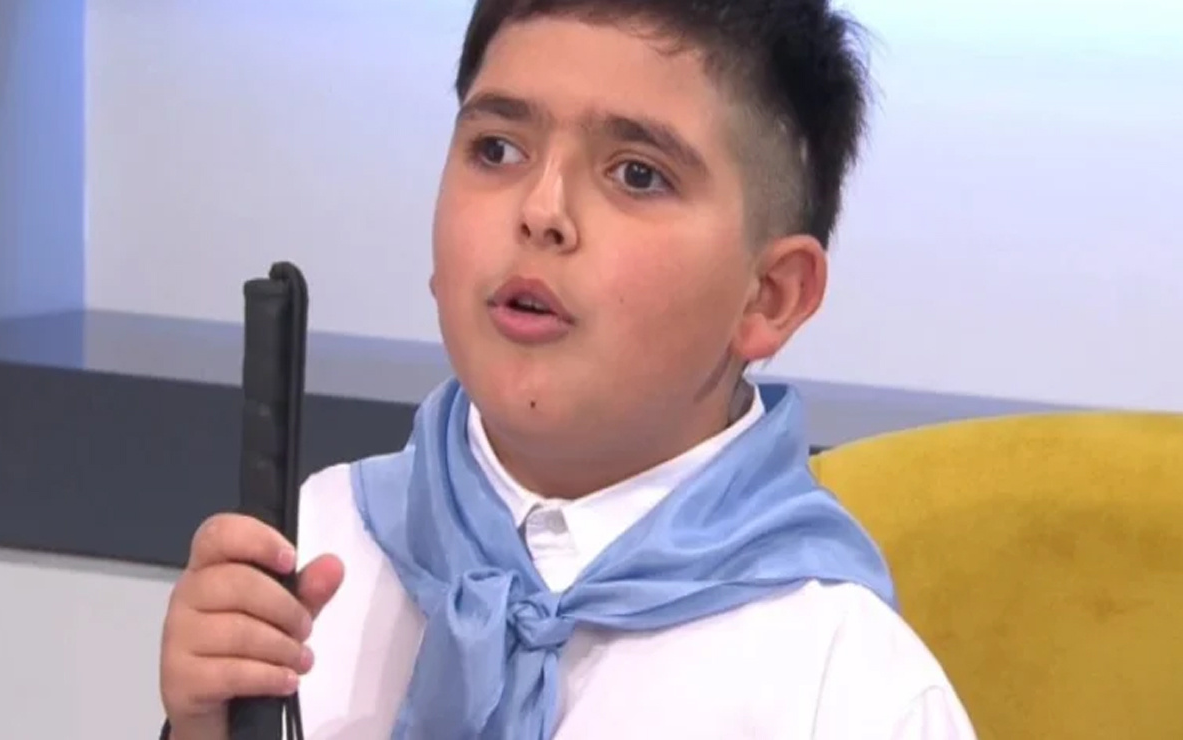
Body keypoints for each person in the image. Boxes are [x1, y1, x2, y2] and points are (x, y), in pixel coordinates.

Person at [159, 1, 979, 738]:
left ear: (770, 296)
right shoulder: (311, 547)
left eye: (637, 174)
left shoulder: (851, 685)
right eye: (497, 149)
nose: (541, 210)